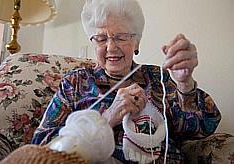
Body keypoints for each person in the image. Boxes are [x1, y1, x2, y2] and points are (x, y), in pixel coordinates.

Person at [32, 0, 221, 163]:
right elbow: (41, 147)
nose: (111, 47)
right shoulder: (75, 83)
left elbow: (205, 127)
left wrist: (185, 83)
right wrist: (107, 118)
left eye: (121, 37)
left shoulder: (159, 78)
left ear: (137, 42)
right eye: (101, 38)